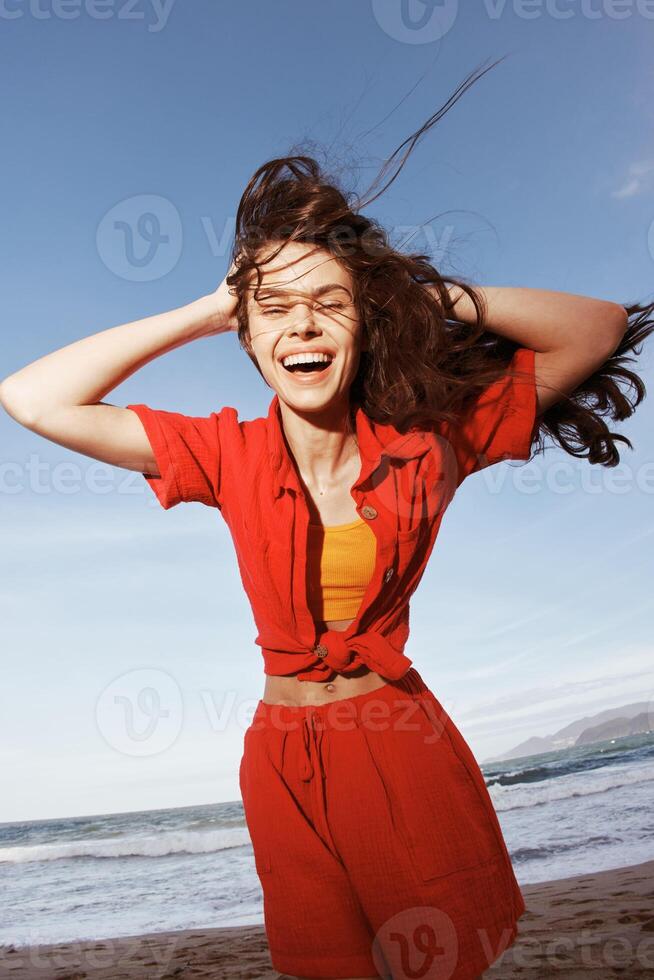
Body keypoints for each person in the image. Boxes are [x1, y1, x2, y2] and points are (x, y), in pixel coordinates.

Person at [2, 62, 652, 980]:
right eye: (275, 310)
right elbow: (30, 398)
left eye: (329, 303)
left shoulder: (435, 440)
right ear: (250, 336)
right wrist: (205, 309)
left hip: (400, 747)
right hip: (281, 764)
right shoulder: (223, 452)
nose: (302, 327)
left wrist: (426, 296)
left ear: (363, 321)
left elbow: (596, 327)